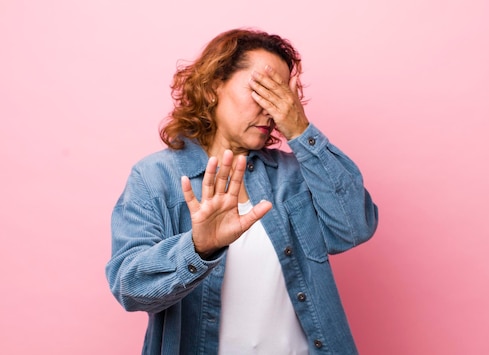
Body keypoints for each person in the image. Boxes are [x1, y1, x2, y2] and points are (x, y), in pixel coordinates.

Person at [105, 28, 378, 355]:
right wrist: (198, 248)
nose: (272, 109)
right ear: (214, 86)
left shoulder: (292, 175)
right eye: (261, 90)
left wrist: (301, 131)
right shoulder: (154, 178)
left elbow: (353, 228)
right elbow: (130, 289)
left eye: (281, 97)